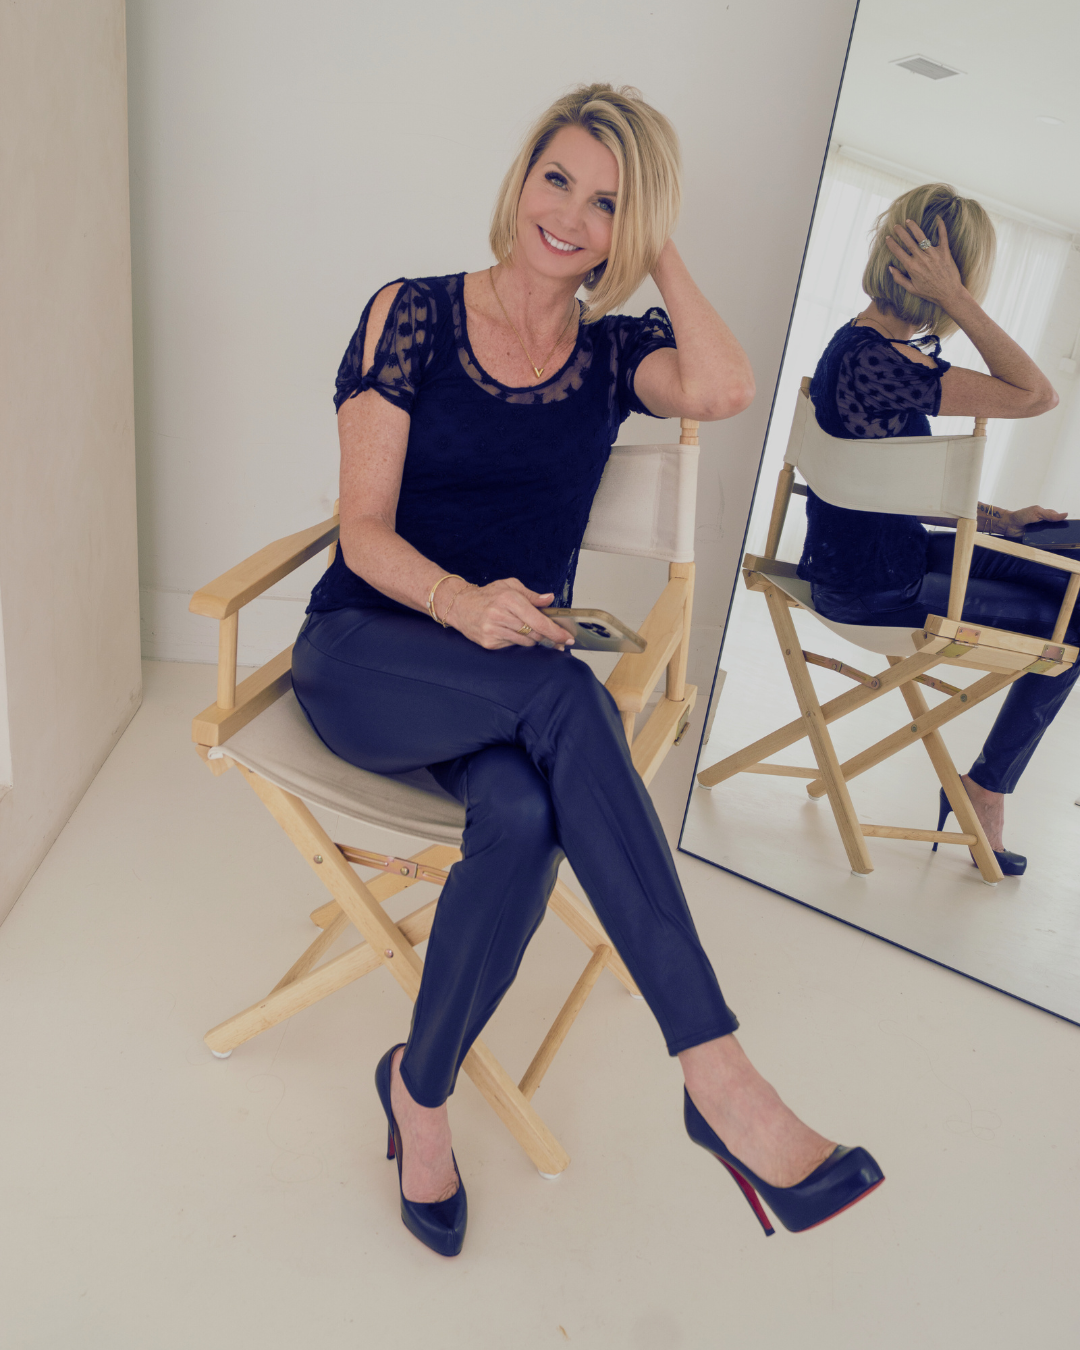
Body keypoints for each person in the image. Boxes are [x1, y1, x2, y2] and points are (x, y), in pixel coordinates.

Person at [293, 84, 883, 1256]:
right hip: (369, 653)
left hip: (501, 696)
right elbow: (361, 533)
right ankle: (720, 1076)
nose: (569, 215)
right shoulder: (412, 314)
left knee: (521, 818)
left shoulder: (617, 354)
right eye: (557, 178)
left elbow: (724, 387)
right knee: (568, 693)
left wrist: (655, 248)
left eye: (607, 203)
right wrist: (462, 603)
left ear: (633, 229)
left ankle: (418, 1093)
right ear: (522, 177)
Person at [799, 183, 1075, 876]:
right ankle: (987, 787)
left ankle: (985, 785)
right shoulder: (880, 361)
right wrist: (956, 299)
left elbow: (893, 486)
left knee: (1069, 560)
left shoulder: (863, 348)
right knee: (1073, 620)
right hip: (877, 589)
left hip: (884, 560)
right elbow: (1038, 395)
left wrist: (1005, 520)